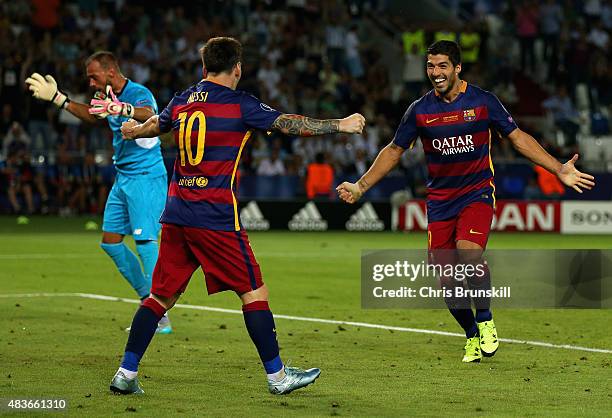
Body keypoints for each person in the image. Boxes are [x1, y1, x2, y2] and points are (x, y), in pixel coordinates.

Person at [111, 37, 365, 395]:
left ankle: (126, 373)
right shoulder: (239, 104)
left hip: (177, 215)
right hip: (214, 217)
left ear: (204, 68)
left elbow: (159, 123)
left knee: (159, 297)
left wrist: (134, 130)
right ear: (238, 69)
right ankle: (278, 377)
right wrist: (340, 124)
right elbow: (288, 124)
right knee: (254, 292)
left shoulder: (183, 99)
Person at [337, 40, 594, 363]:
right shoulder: (420, 110)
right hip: (440, 202)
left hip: (477, 193)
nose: (435, 72)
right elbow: (394, 150)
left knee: (468, 254)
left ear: (458, 68)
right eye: (430, 66)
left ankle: (485, 319)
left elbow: (518, 138)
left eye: (443, 65)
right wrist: (361, 186)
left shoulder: (484, 102)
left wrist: (558, 168)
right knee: (446, 278)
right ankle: (472, 335)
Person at [25, 52, 171, 333]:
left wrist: (122, 110)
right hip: (124, 178)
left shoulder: (138, 93)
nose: (90, 81)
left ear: (111, 72)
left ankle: (157, 315)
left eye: (94, 75)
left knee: (145, 243)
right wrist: (60, 99)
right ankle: (147, 300)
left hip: (145, 177)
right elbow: (93, 117)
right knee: (111, 242)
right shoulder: (106, 96)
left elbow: (150, 115)